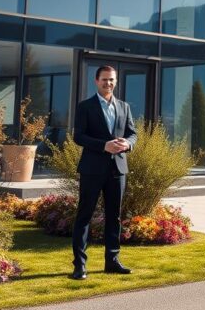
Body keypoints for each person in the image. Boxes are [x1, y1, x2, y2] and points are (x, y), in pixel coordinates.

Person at [70, 65, 138, 280]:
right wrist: (103, 145)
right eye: (105, 80)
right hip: (92, 169)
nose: (108, 83)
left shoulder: (124, 107)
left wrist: (127, 143)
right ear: (96, 81)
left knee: (114, 217)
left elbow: (133, 133)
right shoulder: (85, 107)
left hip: (118, 169)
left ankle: (112, 261)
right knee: (84, 216)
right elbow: (78, 137)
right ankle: (80, 266)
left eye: (112, 80)